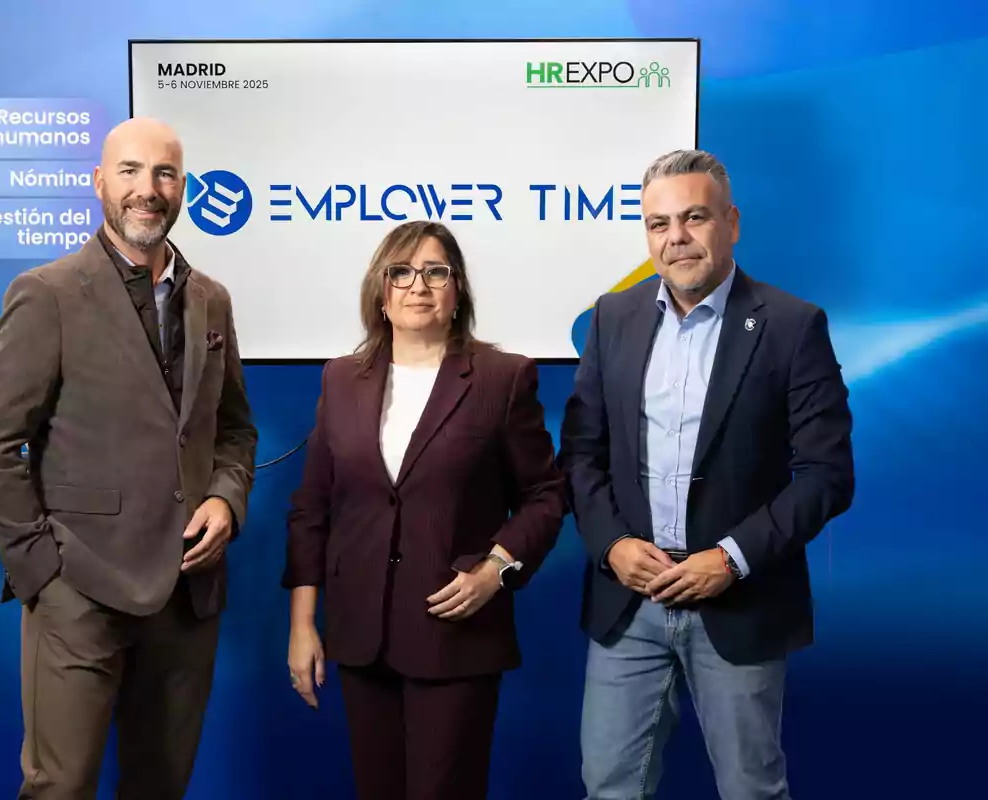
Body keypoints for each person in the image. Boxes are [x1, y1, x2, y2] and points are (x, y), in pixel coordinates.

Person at [0, 117, 258, 800]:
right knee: (60, 788)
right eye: (129, 171)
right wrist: (43, 576)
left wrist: (226, 499)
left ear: (182, 187)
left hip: (187, 595)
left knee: (160, 786)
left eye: (163, 174)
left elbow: (234, 432)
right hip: (81, 591)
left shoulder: (211, 299)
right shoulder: (49, 293)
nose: (146, 190)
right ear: (100, 182)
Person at [559, 149, 854, 800]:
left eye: (694, 217)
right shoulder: (614, 318)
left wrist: (731, 558)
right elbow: (580, 454)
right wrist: (611, 544)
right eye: (658, 224)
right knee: (608, 786)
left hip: (738, 600)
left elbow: (827, 474)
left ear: (732, 222)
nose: (676, 238)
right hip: (628, 600)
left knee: (751, 789)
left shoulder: (791, 325)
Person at [282, 220, 565, 800]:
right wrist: (303, 625)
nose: (419, 285)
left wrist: (497, 568)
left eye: (436, 272)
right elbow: (312, 507)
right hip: (361, 634)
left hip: (453, 632)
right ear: (380, 293)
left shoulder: (502, 378)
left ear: (457, 291)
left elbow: (547, 494)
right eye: (402, 272)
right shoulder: (341, 379)